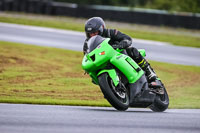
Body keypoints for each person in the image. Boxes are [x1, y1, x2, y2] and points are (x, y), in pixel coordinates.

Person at [83, 17, 157, 84]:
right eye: (90, 33)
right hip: (104, 61)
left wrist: (121, 44)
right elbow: (87, 55)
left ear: (101, 28)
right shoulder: (88, 43)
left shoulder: (110, 32)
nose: (93, 35)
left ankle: (149, 71)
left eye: (95, 32)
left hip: (119, 54)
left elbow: (127, 38)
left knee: (131, 50)